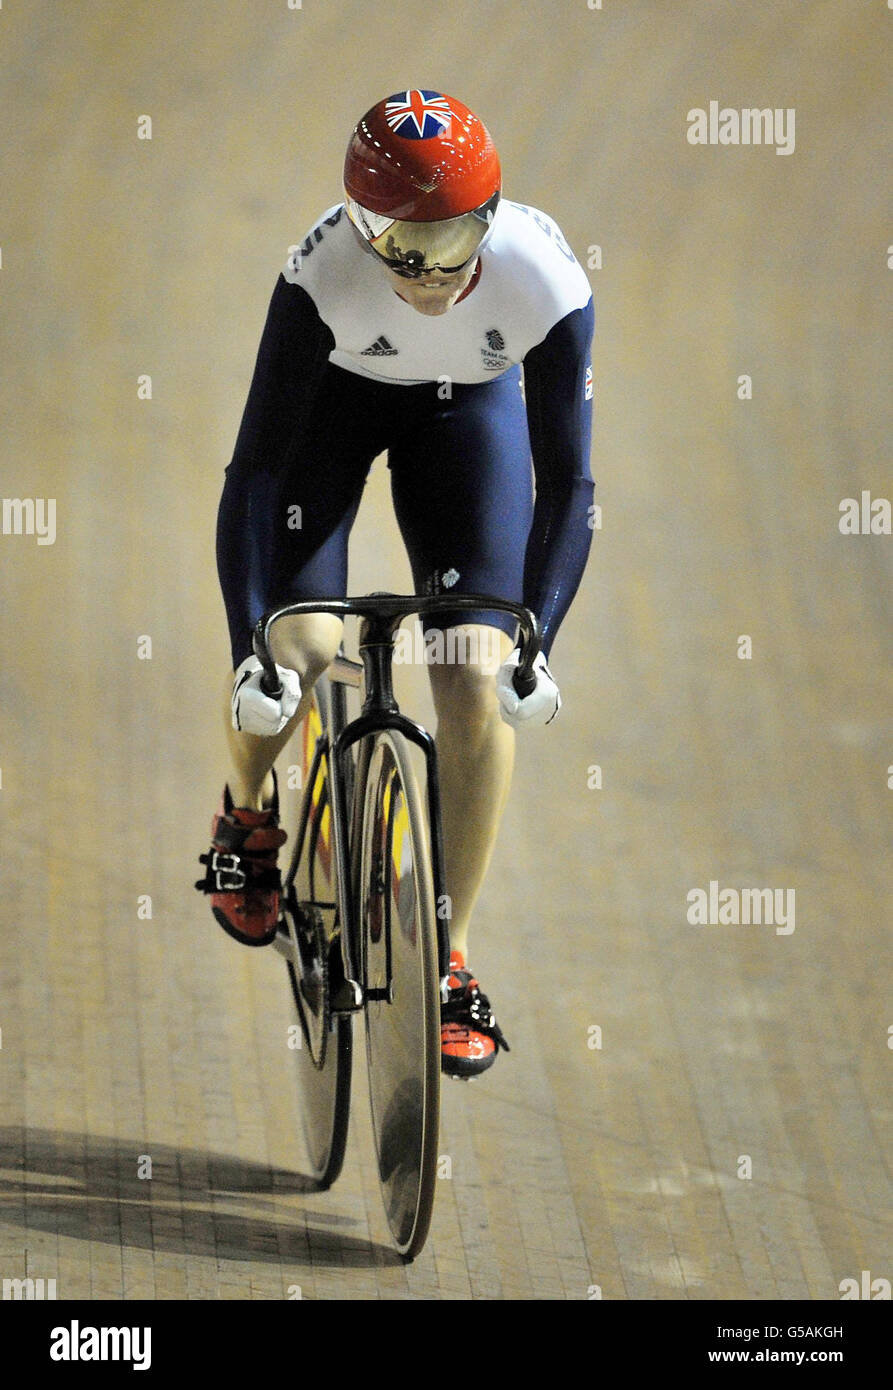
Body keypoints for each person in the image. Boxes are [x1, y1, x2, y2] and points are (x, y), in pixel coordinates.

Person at [196, 89, 595, 1079]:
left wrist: (536, 634)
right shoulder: (322, 272)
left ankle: (448, 951)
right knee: (303, 649)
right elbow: (254, 472)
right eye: (402, 250)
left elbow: (569, 479)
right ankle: (246, 814)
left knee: (469, 670)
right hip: (334, 410)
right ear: (363, 231)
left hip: (467, 422)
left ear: (491, 219)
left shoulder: (544, 278)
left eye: (454, 245)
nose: (427, 274)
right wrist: (252, 638)